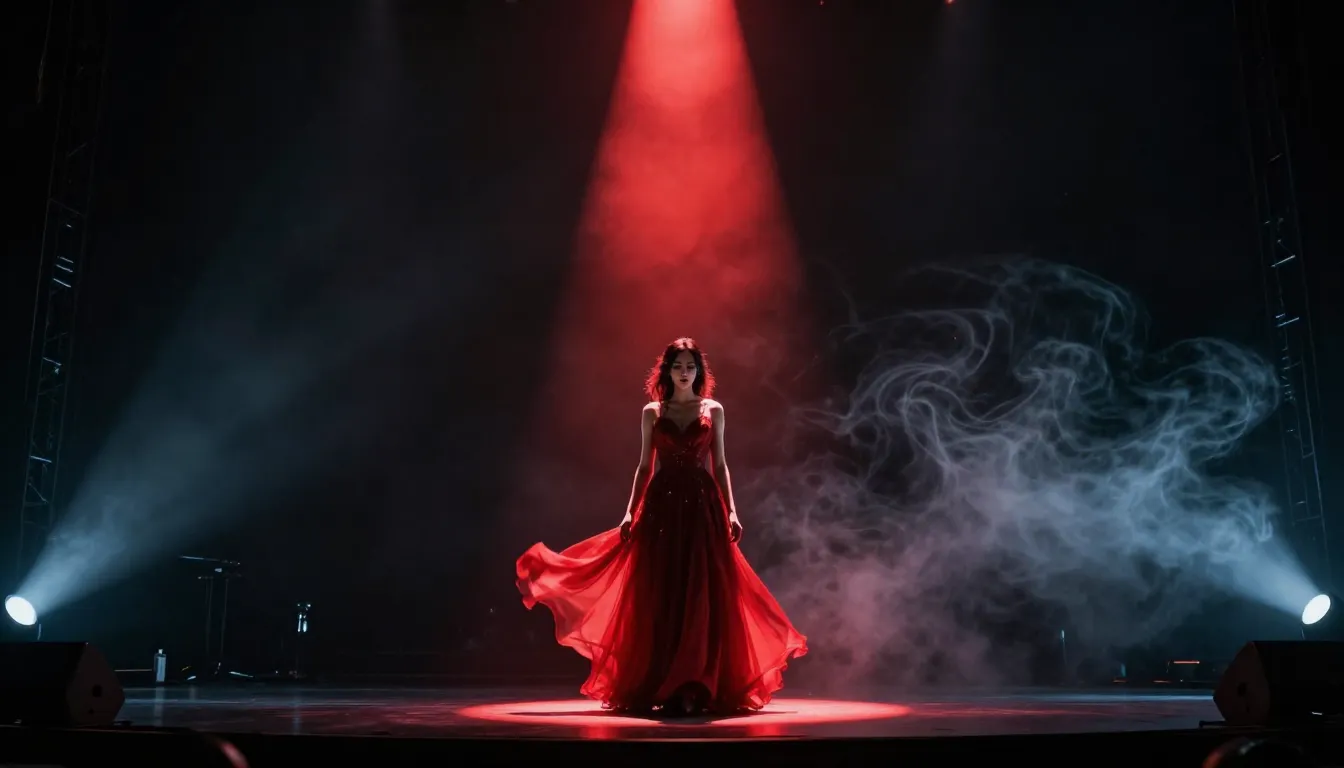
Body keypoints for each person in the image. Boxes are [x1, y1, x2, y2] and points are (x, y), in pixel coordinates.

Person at [516, 337, 808, 716]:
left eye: (690, 366)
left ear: (699, 371)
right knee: (660, 590)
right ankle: (661, 681)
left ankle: (695, 685)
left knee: (702, 591)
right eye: (678, 366)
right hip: (662, 506)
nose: (684, 372)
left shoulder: (714, 410)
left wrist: (732, 512)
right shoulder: (652, 412)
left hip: (702, 506)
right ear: (667, 371)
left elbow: (720, 465)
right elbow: (644, 467)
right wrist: (629, 513)